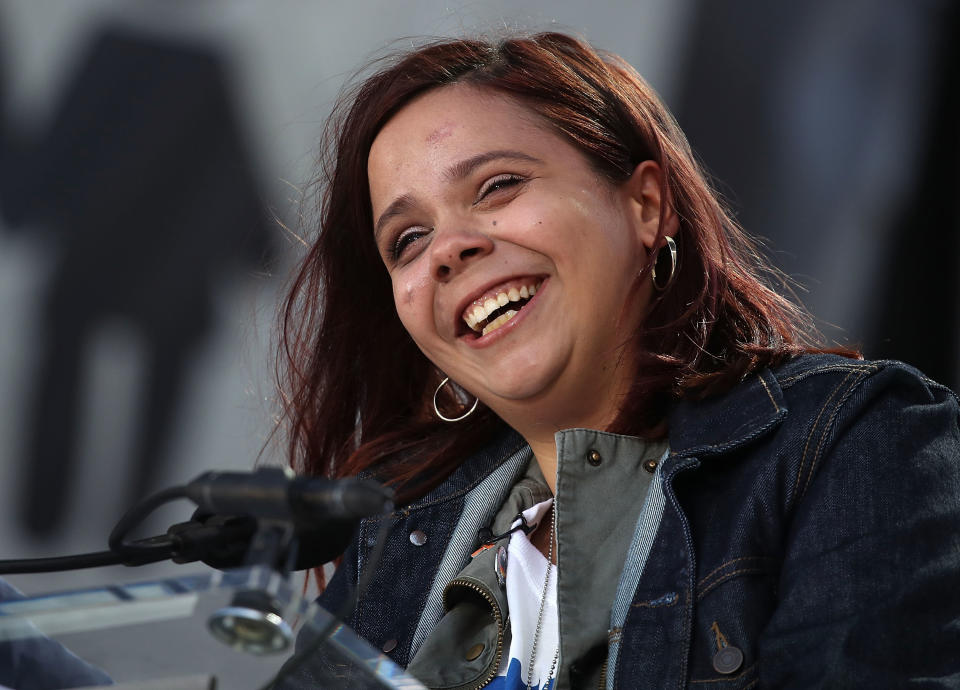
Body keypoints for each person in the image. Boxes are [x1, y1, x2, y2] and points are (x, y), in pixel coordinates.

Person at [274, 32, 960, 689]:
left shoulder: (853, 440)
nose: (448, 248)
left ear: (646, 205)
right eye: (408, 239)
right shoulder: (395, 543)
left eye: (498, 185)